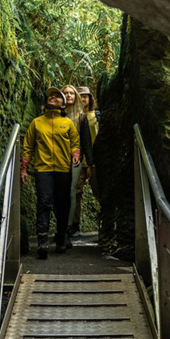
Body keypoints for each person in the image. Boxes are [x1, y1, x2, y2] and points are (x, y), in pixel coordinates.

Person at [21, 87, 81, 259]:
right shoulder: (37, 123)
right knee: (44, 202)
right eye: (50, 96)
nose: (53, 97)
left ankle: (61, 237)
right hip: (43, 169)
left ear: (63, 104)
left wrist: (75, 154)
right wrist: (24, 168)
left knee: (62, 204)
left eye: (57, 96)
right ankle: (42, 242)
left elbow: (75, 142)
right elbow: (27, 146)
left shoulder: (67, 123)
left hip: (63, 169)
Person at [62, 84, 93, 247]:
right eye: (65, 93)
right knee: (58, 193)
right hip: (57, 159)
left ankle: (67, 228)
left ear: (76, 97)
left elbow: (86, 142)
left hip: (75, 160)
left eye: (71, 93)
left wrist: (90, 164)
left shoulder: (81, 117)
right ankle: (61, 227)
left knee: (72, 192)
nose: (68, 96)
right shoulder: (56, 114)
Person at [69, 85, 100, 241]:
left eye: (85, 96)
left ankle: (105, 223)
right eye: (80, 96)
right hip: (79, 161)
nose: (83, 99)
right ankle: (74, 225)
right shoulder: (73, 117)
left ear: (90, 98)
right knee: (75, 193)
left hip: (95, 161)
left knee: (99, 191)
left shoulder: (97, 116)